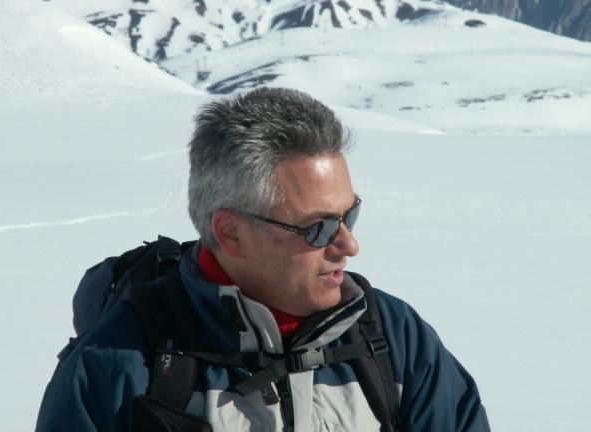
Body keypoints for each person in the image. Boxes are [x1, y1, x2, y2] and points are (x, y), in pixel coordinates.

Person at [36, 87, 491, 431]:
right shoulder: (120, 365)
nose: (349, 245)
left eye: (349, 215)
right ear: (231, 232)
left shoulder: (393, 338)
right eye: (318, 227)